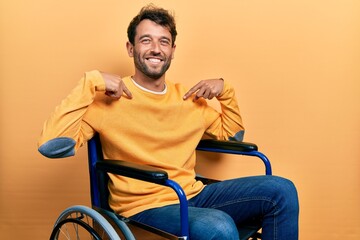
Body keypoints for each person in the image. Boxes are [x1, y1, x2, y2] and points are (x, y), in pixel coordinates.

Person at [38, 5, 299, 240]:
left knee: (282, 190)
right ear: (131, 48)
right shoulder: (108, 100)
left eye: (164, 41)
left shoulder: (188, 99)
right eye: (146, 40)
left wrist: (224, 90)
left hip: (192, 194)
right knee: (218, 227)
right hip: (144, 205)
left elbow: (233, 137)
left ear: (172, 51)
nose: (156, 48)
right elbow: (51, 145)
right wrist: (89, 82)